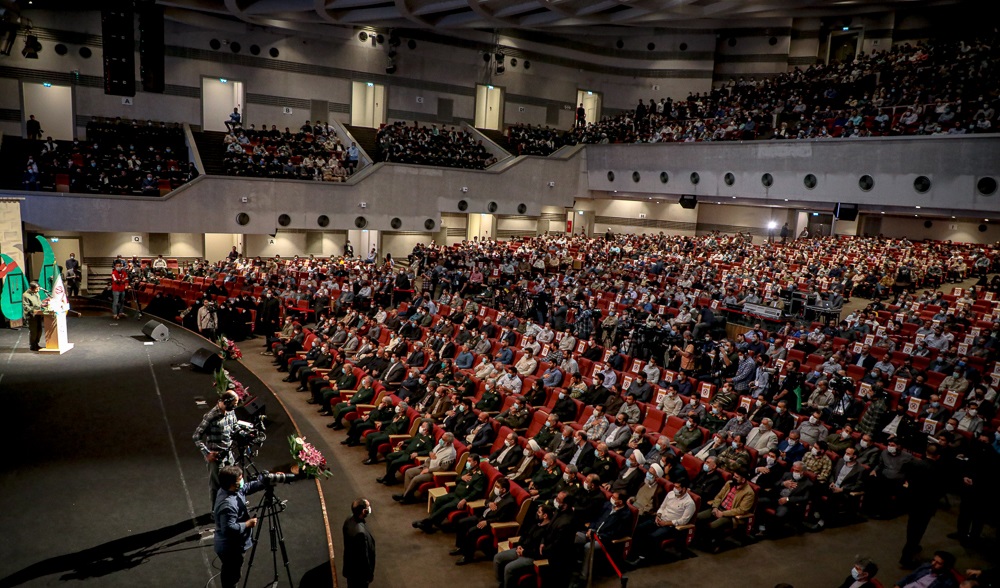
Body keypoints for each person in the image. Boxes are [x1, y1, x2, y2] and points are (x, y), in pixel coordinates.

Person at [213, 465, 264, 588]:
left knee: (230, 572)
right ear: (232, 484)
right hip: (231, 548)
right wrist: (247, 524)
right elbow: (229, 529)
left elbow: (246, 488)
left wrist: (263, 482)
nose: (242, 481)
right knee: (232, 575)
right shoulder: (228, 505)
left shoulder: (231, 489)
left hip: (233, 545)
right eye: (239, 480)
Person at [193, 391, 240, 510]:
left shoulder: (231, 412)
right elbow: (196, 436)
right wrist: (206, 453)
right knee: (216, 486)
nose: (235, 406)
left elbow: (235, 427)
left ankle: (232, 505)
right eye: (234, 403)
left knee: (233, 481)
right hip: (216, 457)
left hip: (229, 454)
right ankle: (215, 511)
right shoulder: (211, 416)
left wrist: (243, 433)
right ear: (226, 402)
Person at [342, 497, 376, 588]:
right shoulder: (360, 533)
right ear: (364, 511)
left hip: (350, 567)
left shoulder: (349, 519)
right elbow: (364, 559)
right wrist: (369, 575)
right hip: (359, 574)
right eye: (368, 507)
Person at [892, 550, 959, 588]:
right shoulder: (926, 566)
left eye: (938, 563)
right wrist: (898, 585)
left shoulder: (949, 583)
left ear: (947, 567)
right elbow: (909, 577)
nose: (933, 563)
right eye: (933, 560)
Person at [23, 281, 47, 351]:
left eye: (38, 289)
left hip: (38, 314)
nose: (38, 290)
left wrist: (44, 304)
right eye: (36, 289)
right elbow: (26, 306)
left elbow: (39, 303)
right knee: (34, 331)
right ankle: (33, 345)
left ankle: (36, 344)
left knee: (39, 330)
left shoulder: (36, 294)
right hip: (31, 316)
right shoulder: (25, 295)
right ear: (31, 288)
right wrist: (33, 311)